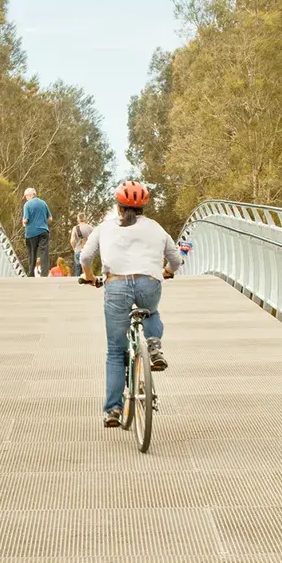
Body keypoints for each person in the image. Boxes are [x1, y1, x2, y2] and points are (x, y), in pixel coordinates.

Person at [79, 181, 183, 427]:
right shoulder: (156, 228)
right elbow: (176, 259)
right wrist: (167, 271)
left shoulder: (105, 228)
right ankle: (154, 346)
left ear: (118, 207)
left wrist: (90, 276)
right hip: (149, 282)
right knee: (151, 312)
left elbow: (85, 257)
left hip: (116, 286)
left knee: (115, 351)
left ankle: (113, 410)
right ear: (143, 208)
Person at [21, 188, 52, 276]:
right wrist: (42, 221)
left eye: (26, 196)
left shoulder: (27, 205)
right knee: (44, 252)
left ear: (30, 195)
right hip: (43, 231)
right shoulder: (43, 203)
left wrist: (23, 223)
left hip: (31, 232)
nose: (26, 198)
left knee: (32, 253)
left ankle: (31, 274)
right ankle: (44, 273)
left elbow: (26, 220)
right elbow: (50, 218)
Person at [69, 212, 94, 281]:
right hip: (88, 251)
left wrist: (74, 249)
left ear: (78, 219)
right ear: (85, 219)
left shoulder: (75, 228)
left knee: (78, 268)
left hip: (78, 250)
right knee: (87, 269)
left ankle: (77, 283)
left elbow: (72, 241)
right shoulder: (90, 228)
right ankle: (88, 282)